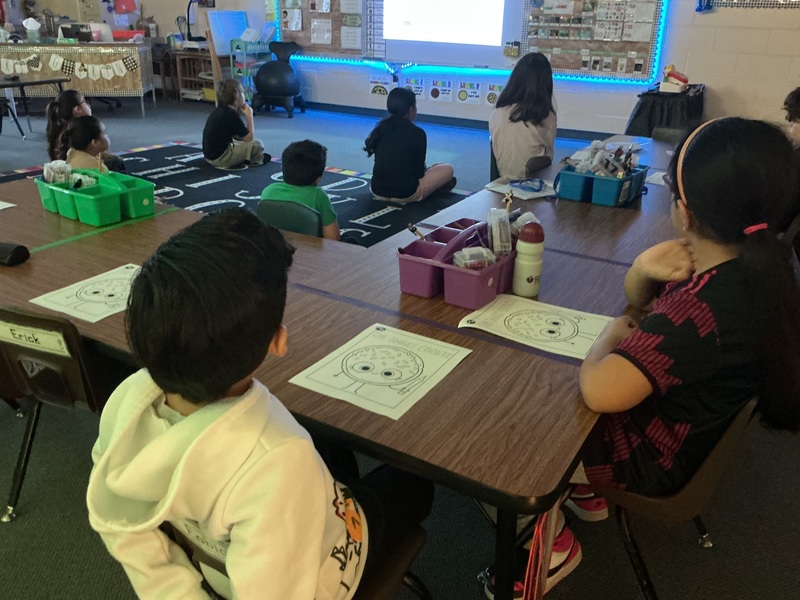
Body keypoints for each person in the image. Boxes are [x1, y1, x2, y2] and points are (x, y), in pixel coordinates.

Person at [485, 118, 800, 599]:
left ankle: (555, 548)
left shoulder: (703, 307)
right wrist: (640, 269)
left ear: (684, 211)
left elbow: (601, 390)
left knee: (497, 431)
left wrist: (605, 339)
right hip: (680, 428)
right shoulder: (756, 267)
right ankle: (586, 494)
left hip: (647, 455)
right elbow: (640, 299)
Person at [86, 208, 433, 599]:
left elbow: (117, 521)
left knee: (329, 451)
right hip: (331, 564)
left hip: (226, 567)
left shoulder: (126, 402)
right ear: (278, 341)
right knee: (414, 483)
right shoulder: (279, 461)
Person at [364, 87, 456, 204]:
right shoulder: (418, 133)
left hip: (377, 190)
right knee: (447, 169)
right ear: (411, 110)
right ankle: (432, 190)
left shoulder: (381, 128)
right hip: (406, 193)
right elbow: (419, 173)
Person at [489, 52, 557, 180]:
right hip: (534, 184)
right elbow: (549, 157)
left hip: (502, 182)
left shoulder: (497, 113)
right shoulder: (547, 117)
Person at [260, 140, 341, 240]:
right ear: (318, 179)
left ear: (282, 168)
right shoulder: (318, 196)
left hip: (276, 247)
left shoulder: (268, 191)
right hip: (310, 250)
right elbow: (333, 238)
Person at [46, 89, 126, 172]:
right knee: (116, 162)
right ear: (77, 109)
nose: (89, 104)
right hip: (82, 169)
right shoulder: (82, 130)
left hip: (70, 169)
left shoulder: (62, 127)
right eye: (84, 101)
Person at [202, 78, 267, 170]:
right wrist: (249, 115)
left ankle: (244, 157)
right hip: (220, 158)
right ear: (237, 96)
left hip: (210, 155)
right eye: (242, 93)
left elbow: (237, 136)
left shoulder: (220, 110)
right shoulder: (231, 114)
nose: (244, 96)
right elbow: (249, 138)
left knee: (238, 142)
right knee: (257, 144)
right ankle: (255, 160)